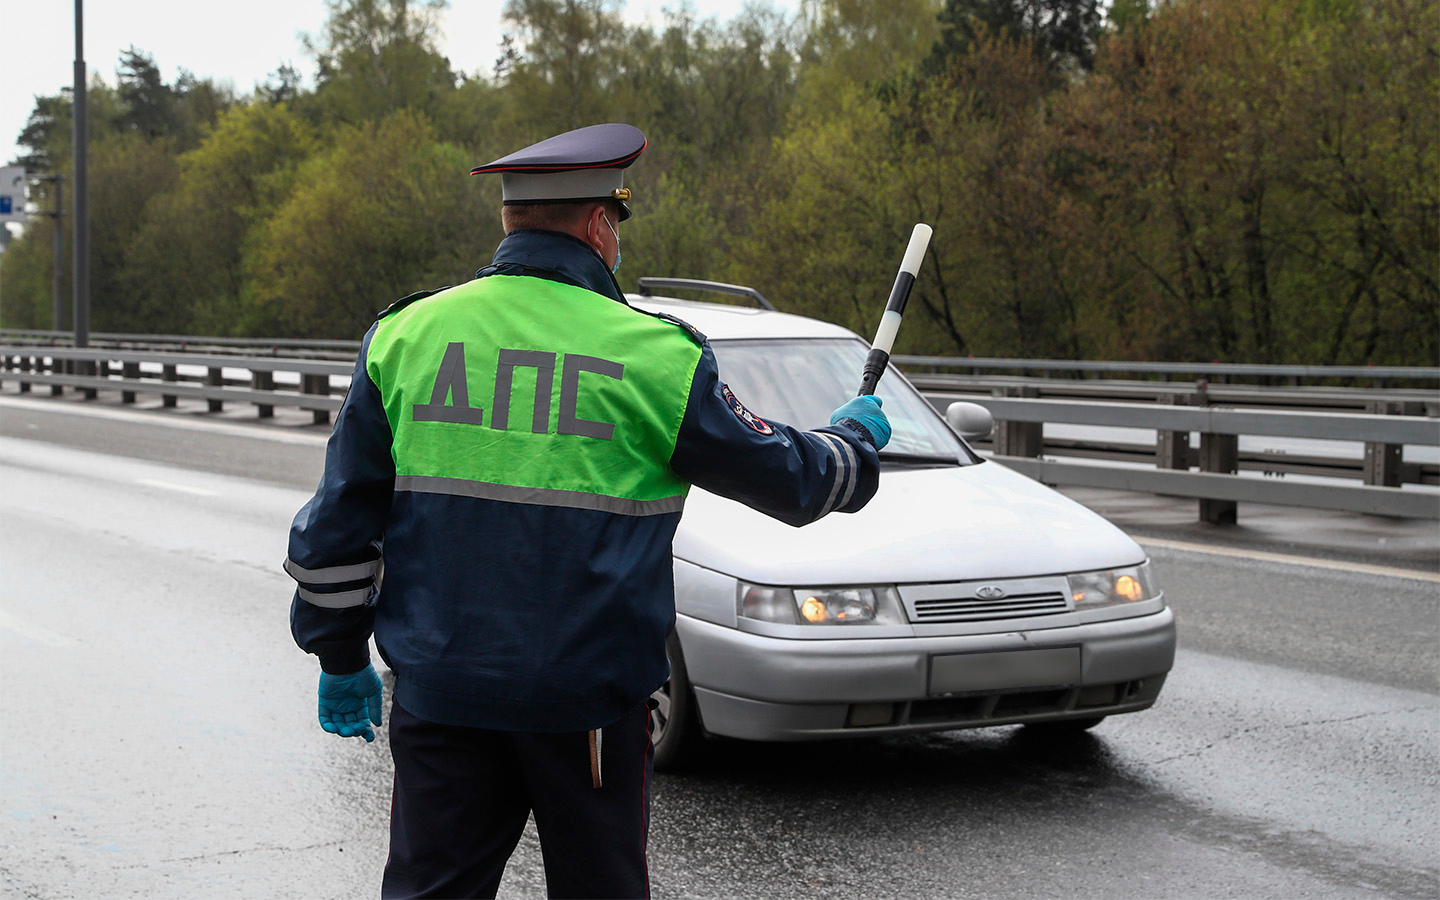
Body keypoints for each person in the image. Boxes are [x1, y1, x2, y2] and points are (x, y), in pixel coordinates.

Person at [283, 122, 891, 900]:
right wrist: (853, 441)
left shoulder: (405, 337)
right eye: (617, 225)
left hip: (444, 698)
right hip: (589, 708)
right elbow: (793, 481)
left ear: (510, 221)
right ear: (600, 223)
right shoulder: (655, 354)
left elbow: (338, 525)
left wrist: (338, 654)